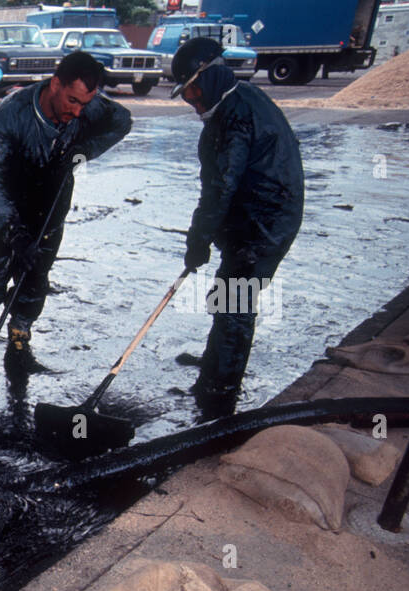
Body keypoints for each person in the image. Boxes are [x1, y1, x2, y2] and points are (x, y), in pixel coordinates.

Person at [0, 51, 132, 372]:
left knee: (36, 275)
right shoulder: (13, 112)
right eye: (72, 101)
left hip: (50, 206)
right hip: (4, 206)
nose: (77, 112)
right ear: (55, 84)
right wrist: (13, 231)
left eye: (85, 104)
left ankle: (20, 338)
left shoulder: (86, 107)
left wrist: (83, 150)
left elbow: (122, 121)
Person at [172, 37, 304, 418]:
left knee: (236, 302)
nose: (191, 100)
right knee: (226, 294)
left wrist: (199, 238)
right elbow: (219, 186)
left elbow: (221, 186)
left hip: (266, 221)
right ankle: (217, 362)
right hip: (248, 216)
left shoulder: (237, 116)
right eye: (185, 93)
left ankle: (220, 392)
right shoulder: (232, 103)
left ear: (209, 76)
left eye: (192, 89)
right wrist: (207, 236)